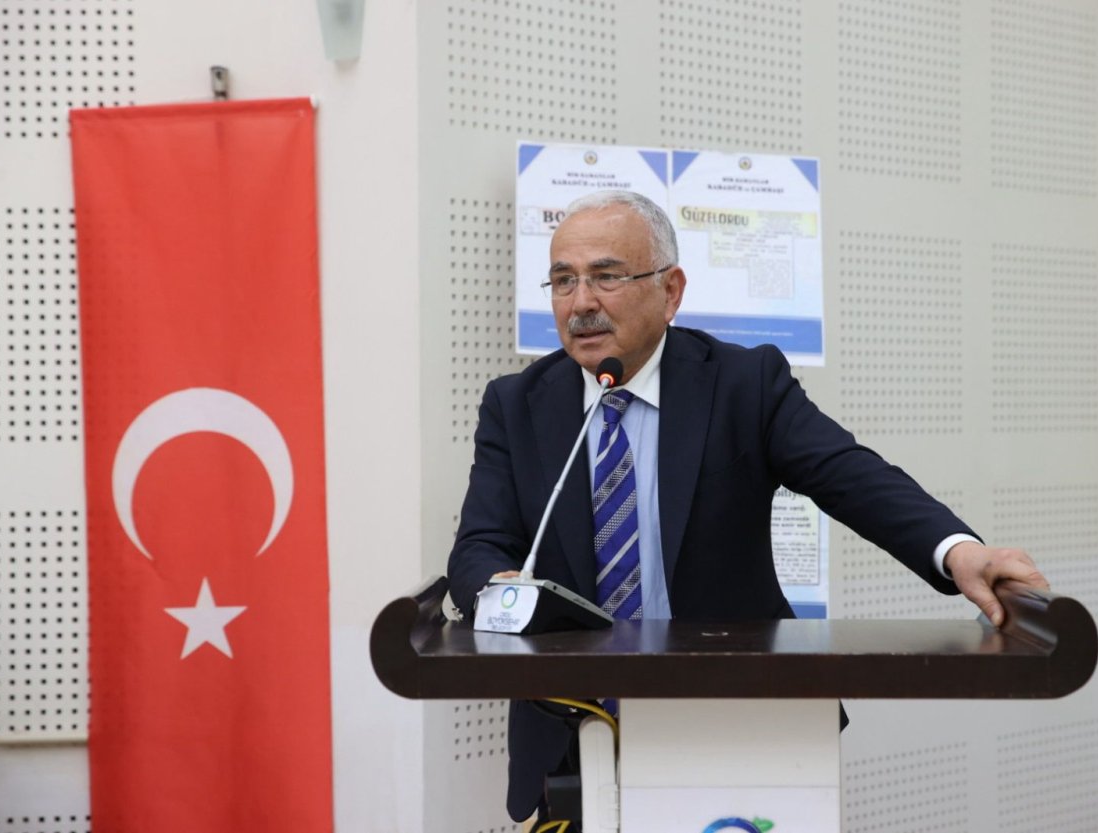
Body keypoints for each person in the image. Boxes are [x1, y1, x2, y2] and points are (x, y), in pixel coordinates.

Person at [446, 190, 1049, 824]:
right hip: (572, 728)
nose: (581, 303)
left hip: (737, 716)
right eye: (564, 281)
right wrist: (500, 590)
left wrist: (957, 552)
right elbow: (480, 545)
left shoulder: (743, 383)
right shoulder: (516, 404)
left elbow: (851, 476)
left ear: (671, 291)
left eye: (606, 277)